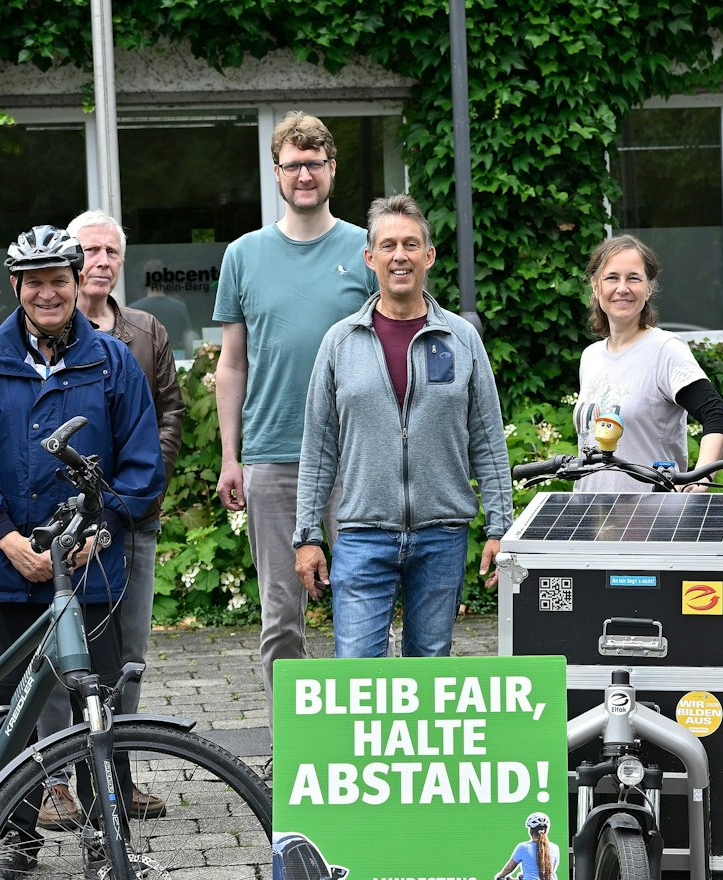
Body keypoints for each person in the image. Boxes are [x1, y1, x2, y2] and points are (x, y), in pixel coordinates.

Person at [0, 224, 165, 870]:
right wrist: (6, 538)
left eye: (58, 281)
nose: (47, 293)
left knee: (98, 701)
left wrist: (102, 528)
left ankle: (106, 834)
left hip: (89, 569)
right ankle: (14, 838)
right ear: (16, 287)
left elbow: (142, 464)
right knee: (3, 709)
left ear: (75, 284)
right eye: (34, 282)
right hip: (6, 568)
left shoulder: (113, 361)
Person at [292, 195, 513, 658]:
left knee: (429, 673)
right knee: (357, 677)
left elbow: (489, 442)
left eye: (411, 245)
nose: (400, 256)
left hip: (442, 534)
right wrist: (308, 535)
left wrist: (500, 527)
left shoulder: (461, 338)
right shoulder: (340, 343)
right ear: (369, 257)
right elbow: (318, 448)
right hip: (360, 534)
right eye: (388, 245)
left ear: (428, 256)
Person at [213, 113, 375, 692]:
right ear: (276, 173)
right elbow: (232, 363)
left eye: (315, 163)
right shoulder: (243, 254)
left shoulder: (368, 249)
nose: (304, 175)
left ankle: (359, 745)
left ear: (332, 169)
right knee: (281, 616)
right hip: (272, 455)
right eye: (293, 165)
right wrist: (232, 457)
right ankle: (293, 752)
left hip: (357, 456)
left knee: (362, 609)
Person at [40, 209, 187, 827]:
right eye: (89, 251)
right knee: (58, 655)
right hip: (64, 528)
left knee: (125, 655)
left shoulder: (145, 330)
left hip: (131, 520)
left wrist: (134, 495)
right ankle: (53, 784)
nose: (101, 261)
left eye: (110, 252)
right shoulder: (45, 331)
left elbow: (168, 416)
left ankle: (114, 777)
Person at [573, 234, 723, 491]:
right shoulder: (591, 357)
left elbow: (717, 417)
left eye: (633, 278)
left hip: (651, 519)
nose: (622, 288)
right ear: (595, 286)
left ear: (648, 288)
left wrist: (701, 478)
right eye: (612, 277)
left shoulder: (665, 350)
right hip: (594, 516)